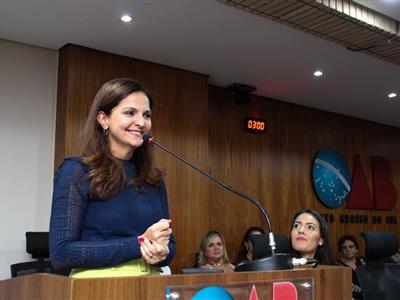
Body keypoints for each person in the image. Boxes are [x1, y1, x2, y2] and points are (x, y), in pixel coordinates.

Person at [49, 78, 175, 278]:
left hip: (152, 285)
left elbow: (170, 245)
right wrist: (140, 243)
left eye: (147, 115)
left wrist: (162, 252)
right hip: (97, 286)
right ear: (103, 119)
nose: (141, 123)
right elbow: (62, 253)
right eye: (129, 113)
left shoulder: (154, 179)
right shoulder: (77, 171)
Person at [334, 235, 365, 300]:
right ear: (341, 251)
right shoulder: (336, 266)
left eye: (351, 247)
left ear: (356, 249)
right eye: (344, 248)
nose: (348, 249)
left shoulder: (363, 262)